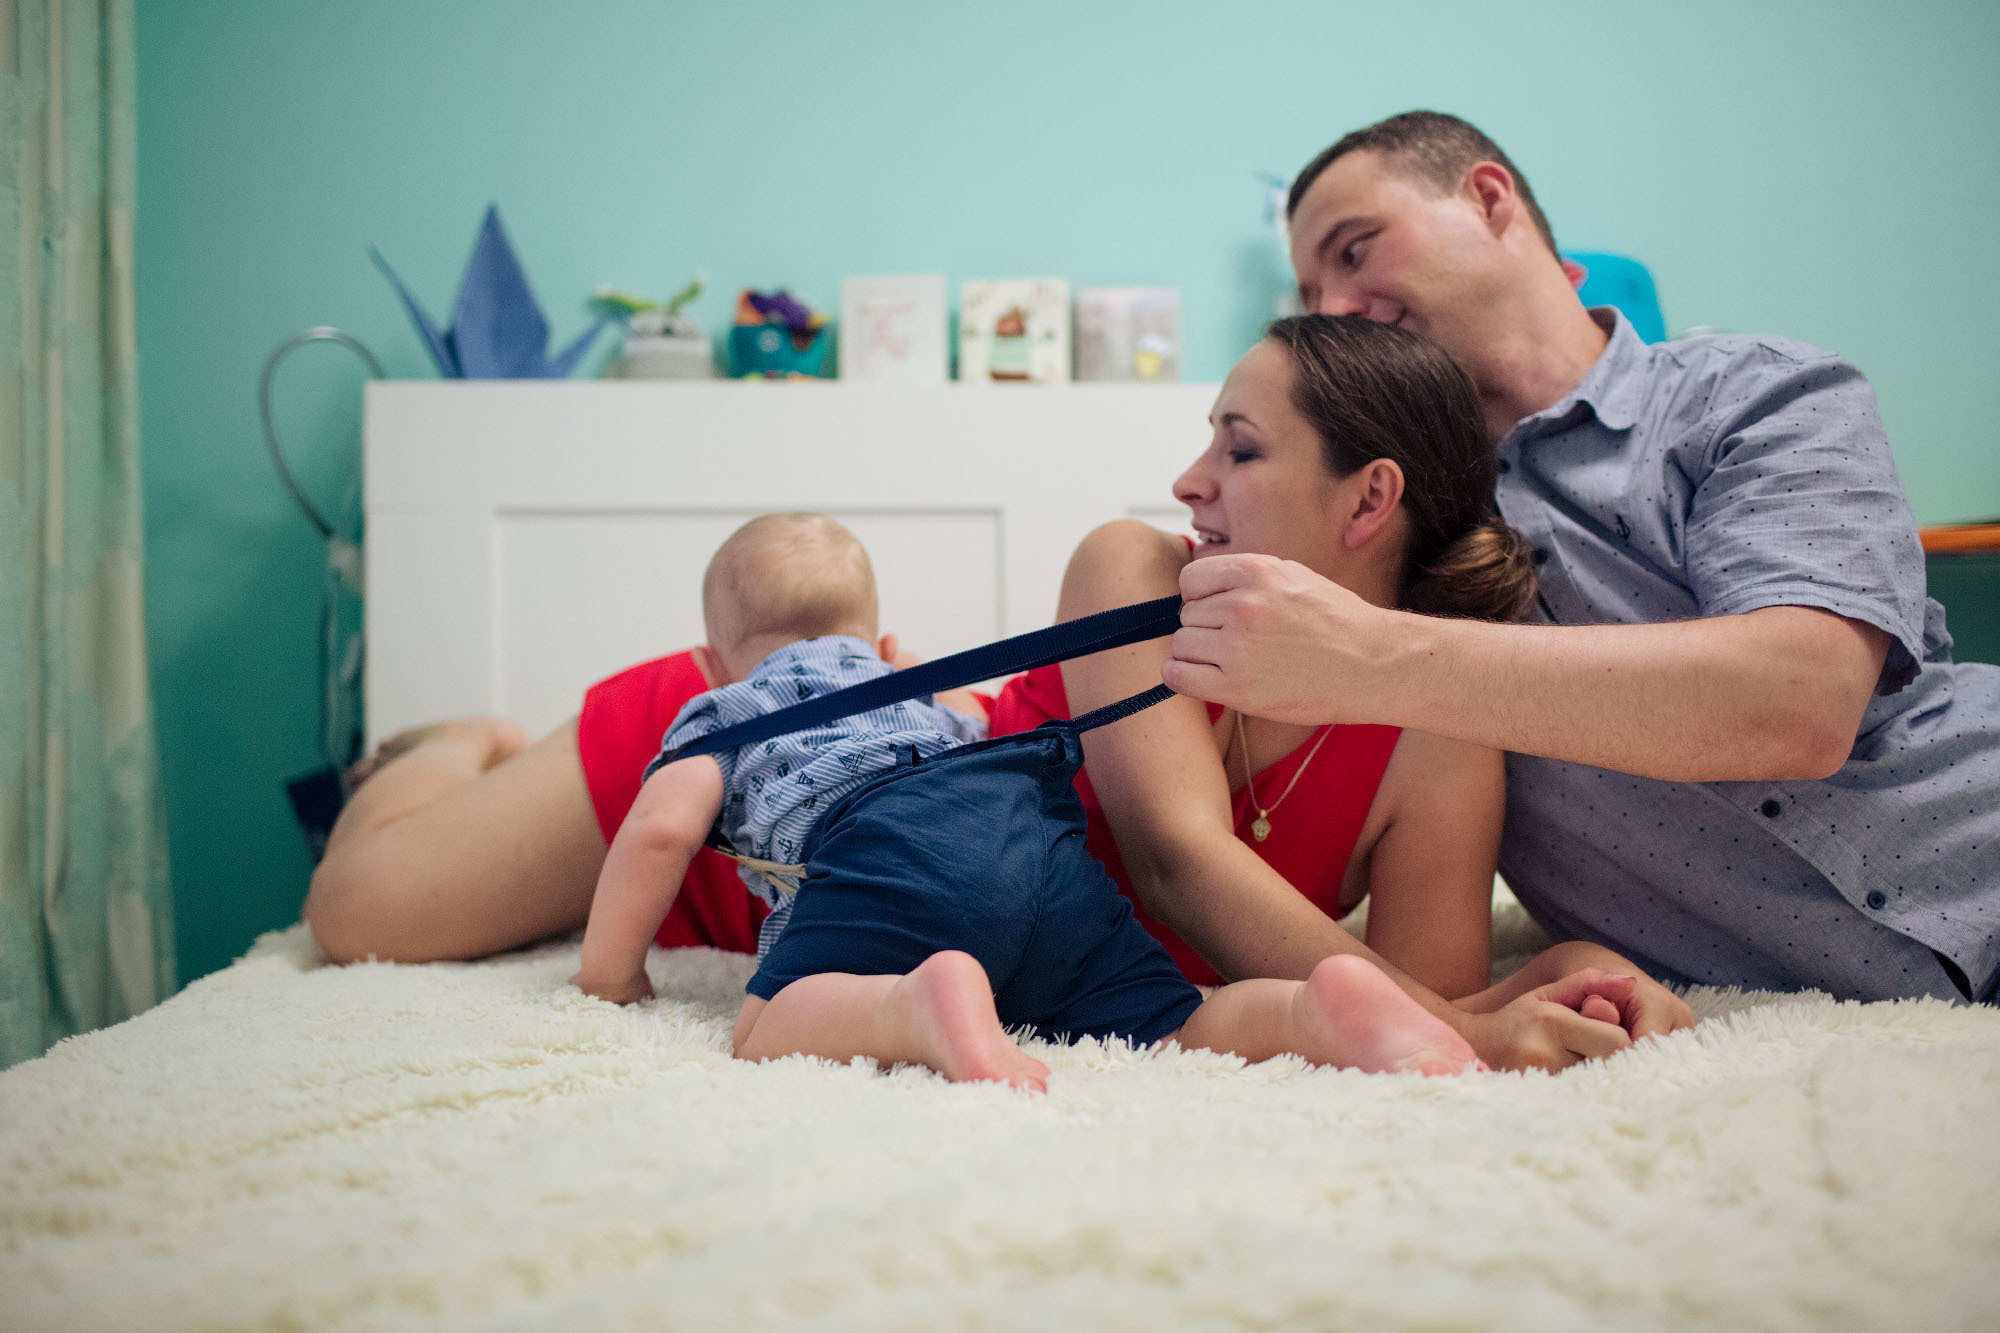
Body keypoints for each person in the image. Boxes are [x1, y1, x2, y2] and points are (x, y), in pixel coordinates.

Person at [304, 319, 1692, 1069]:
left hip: (933, 921)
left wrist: (1539, 982)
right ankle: (447, 744)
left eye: (1240, 446)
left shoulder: (1445, 728)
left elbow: (1417, 1000)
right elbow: (1174, 855)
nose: (1190, 479)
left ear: (1368, 500)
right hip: (761, 784)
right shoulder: (1133, 565)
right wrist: (1480, 1026)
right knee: (359, 915)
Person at [1163, 110, 2000, 1003]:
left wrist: (1367, 655)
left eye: (1355, 251)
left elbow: (1803, 699)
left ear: (1488, 200)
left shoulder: (1758, 394)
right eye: (1309, 291)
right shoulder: (1384, 526)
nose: (1332, 307)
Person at [572, 511, 1498, 1091]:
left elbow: (659, 831)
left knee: (764, 1023)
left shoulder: (719, 712)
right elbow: (974, 732)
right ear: (885, 640)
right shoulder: (912, 684)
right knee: (1173, 1024)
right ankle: (1311, 1012)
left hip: (884, 855)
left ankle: (913, 1004)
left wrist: (609, 975)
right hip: (1027, 833)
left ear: (707, 659)